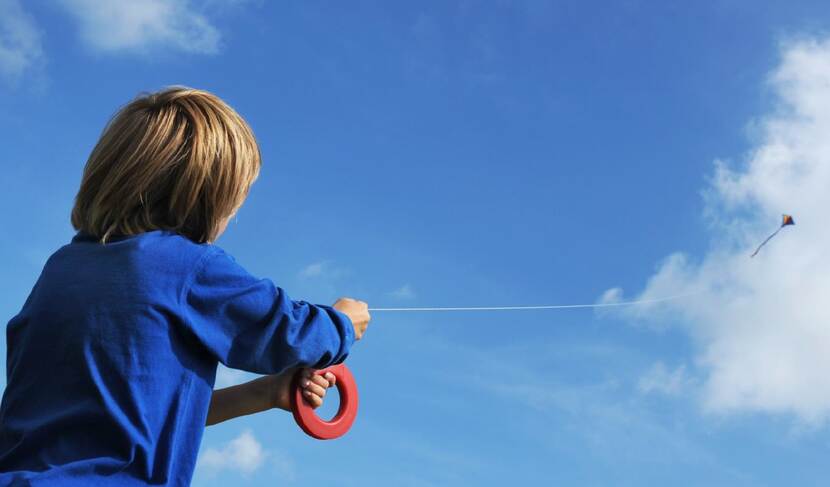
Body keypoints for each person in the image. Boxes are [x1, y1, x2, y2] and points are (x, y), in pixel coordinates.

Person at [0, 87, 371, 486]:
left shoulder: (61, 269)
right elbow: (291, 333)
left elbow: (141, 415)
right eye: (236, 203)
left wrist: (267, 393)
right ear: (209, 198)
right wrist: (341, 322)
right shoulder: (188, 267)